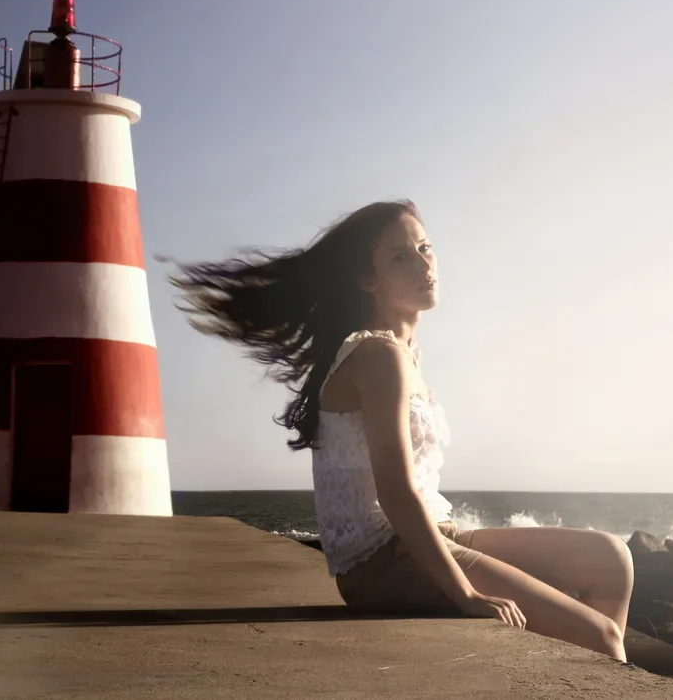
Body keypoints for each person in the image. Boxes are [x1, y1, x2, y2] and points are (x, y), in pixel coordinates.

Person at [167, 199, 634, 661]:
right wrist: (466, 595)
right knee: (602, 640)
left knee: (611, 558)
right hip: (383, 560)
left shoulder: (404, 355)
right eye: (400, 257)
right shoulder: (378, 358)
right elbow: (395, 494)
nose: (423, 264)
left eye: (425, 248)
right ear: (368, 280)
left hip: (428, 533)